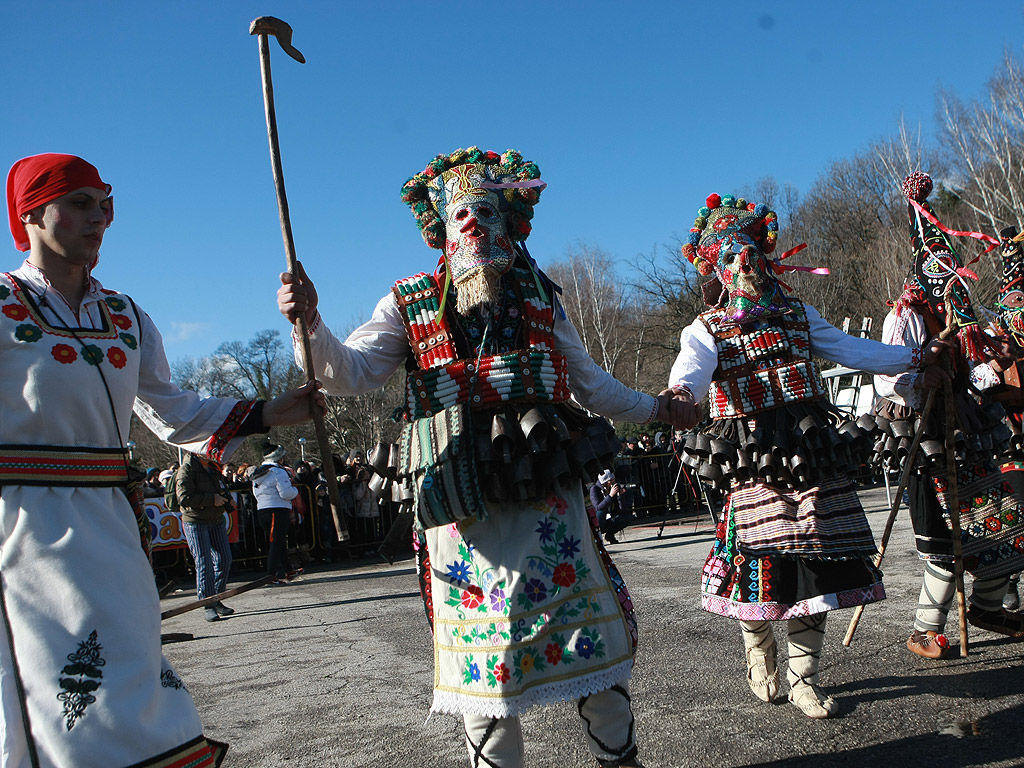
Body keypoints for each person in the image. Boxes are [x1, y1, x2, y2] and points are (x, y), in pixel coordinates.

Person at [278, 147, 690, 768]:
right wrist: (309, 323)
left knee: (592, 653)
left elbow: (591, 385)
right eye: (457, 213)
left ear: (509, 221)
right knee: (484, 675)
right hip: (457, 502)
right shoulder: (408, 301)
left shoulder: (541, 297)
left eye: (484, 210)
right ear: (439, 228)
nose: (471, 222)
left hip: (547, 491)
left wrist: (659, 408)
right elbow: (351, 372)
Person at [0, 153, 323, 766]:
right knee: (59, 703)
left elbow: (173, 414)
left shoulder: (125, 317)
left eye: (106, 204)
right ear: (31, 213)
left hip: (112, 530)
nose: (100, 219)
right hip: (22, 532)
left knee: (137, 687)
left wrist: (276, 411)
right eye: (80, 204)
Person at [668, 190, 949, 718]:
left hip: (812, 450)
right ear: (717, 267)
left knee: (819, 563)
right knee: (754, 560)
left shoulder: (799, 314)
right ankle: (758, 645)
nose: (744, 263)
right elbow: (691, 371)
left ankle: (803, 678)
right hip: (751, 456)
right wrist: (682, 394)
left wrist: (915, 354)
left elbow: (852, 350)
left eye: (750, 251)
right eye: (730, 256)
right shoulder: (705, 327)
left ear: (767, 256)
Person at [874, 173, 1024, 659]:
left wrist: (993, 363)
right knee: (942, 543)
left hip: (967, 433)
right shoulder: (905, 315)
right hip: (924, 438)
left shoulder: (961, 315)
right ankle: (925, 631)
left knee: (1001, 527)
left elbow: (976, 372)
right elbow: (885, 376)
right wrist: (921, 376)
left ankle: (986, 608)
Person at [177, 452, 235, 622]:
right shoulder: (186, 469)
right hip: (195, 521)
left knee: (224, 559)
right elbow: (184, 497)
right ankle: (207, 605)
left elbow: (220, 487)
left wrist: (227, 499)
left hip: (215, 519)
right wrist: (211, 499)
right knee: (204, 563)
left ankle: (216, 598)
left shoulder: (212, 468)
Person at [251, 442, 302, 584]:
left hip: (263, 510)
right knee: (276, 543)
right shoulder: (278, 472)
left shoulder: (257, 473)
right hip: (277, 510)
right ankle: (270, 574)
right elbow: (286, 493)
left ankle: (288, 570)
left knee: (278, 542)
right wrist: (295, 490)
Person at [590, 469, 631, 545]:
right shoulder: (595, 489)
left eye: (614, 479)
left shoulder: (615, 488)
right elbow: (598, 507)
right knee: (600, 513)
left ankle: (610, 534)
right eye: (610, 481)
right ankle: (596, 538)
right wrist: (610, 496)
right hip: (599, 519)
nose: (613, 482)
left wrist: (620, 496)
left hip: (610, 518)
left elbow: (623, 510)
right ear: (604, 482)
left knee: (627, 517)